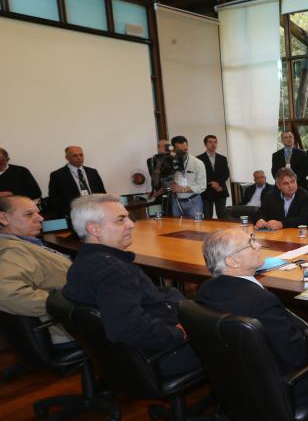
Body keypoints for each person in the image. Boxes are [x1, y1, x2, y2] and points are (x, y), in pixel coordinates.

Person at [62, 194, 199, 376]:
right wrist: (178, 334)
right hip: (159, 356)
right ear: (94, 229)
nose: (131, 224)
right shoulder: (113, 272)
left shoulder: (84, 262)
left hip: (126, 358)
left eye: (127, 217)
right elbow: (128, 328)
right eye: (120, 220)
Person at [198, 228, 308, 408]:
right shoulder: (259, 302)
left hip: (238, 384)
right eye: (250, 244)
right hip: (285, 390)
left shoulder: (206, 290)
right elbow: (297, 356)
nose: (258, 245)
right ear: (232, 261)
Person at [0, 196, 73, 346]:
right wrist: (69, 306)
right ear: (4, 218)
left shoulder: (21, 243)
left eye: (38, 213)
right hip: (64, 328)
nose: (40, 218)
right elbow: (7, 293)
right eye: (29, 214)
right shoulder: (11, 251)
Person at [47, 146, 106, 218]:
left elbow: (102, 192)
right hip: (74, 214)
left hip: (95, 211)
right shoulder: (57, 175)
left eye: (81, 155)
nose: (79, 157)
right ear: (67, 158)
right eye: (75, 155)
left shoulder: (92, 172)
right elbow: (54, 198)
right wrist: (67, 212)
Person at [168, 136, 207, 218]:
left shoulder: (198, 163)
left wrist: (183, 189)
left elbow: (202, 186)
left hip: (193, 202)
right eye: (180, 150)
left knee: (196, 228)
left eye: (185, 150)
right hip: (176, 201)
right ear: (174, 150)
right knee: (178, 228)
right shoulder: (170, 162)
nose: (183, 152)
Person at [197, 135, 230, 219]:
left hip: (220, 190)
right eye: (210, 142)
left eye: (215, 142)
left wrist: (218, 183)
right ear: (205, 144)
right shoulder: (198, 159)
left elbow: (226, 174)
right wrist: (212, 183)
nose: (213, 144)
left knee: (222, 216)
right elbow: (199, 175)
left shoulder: (222, 158)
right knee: (207, 216)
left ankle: (223, 232)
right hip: (206, 191)